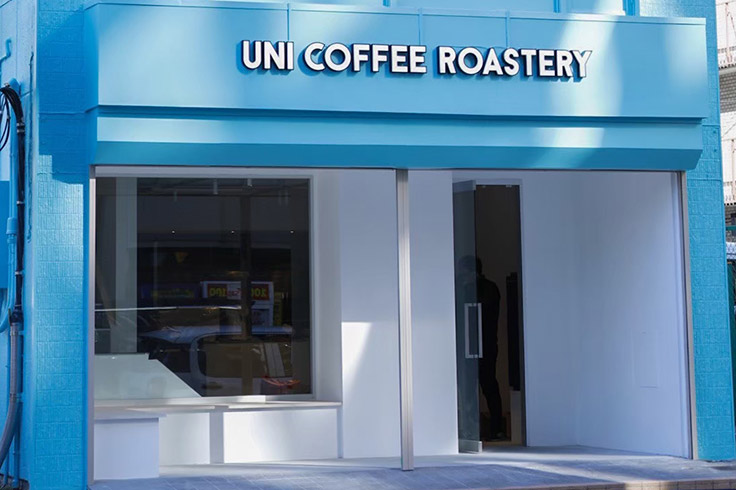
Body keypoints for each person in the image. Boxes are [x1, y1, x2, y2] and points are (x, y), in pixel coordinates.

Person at [458, 256, 504, 440]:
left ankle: (494, 428)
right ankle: (472, 428)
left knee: (487, 385)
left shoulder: (486, 288)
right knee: (471, 387)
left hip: (483, 345)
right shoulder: (483, 287)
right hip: (473, 344)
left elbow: (479, 311)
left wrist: (466, 288)